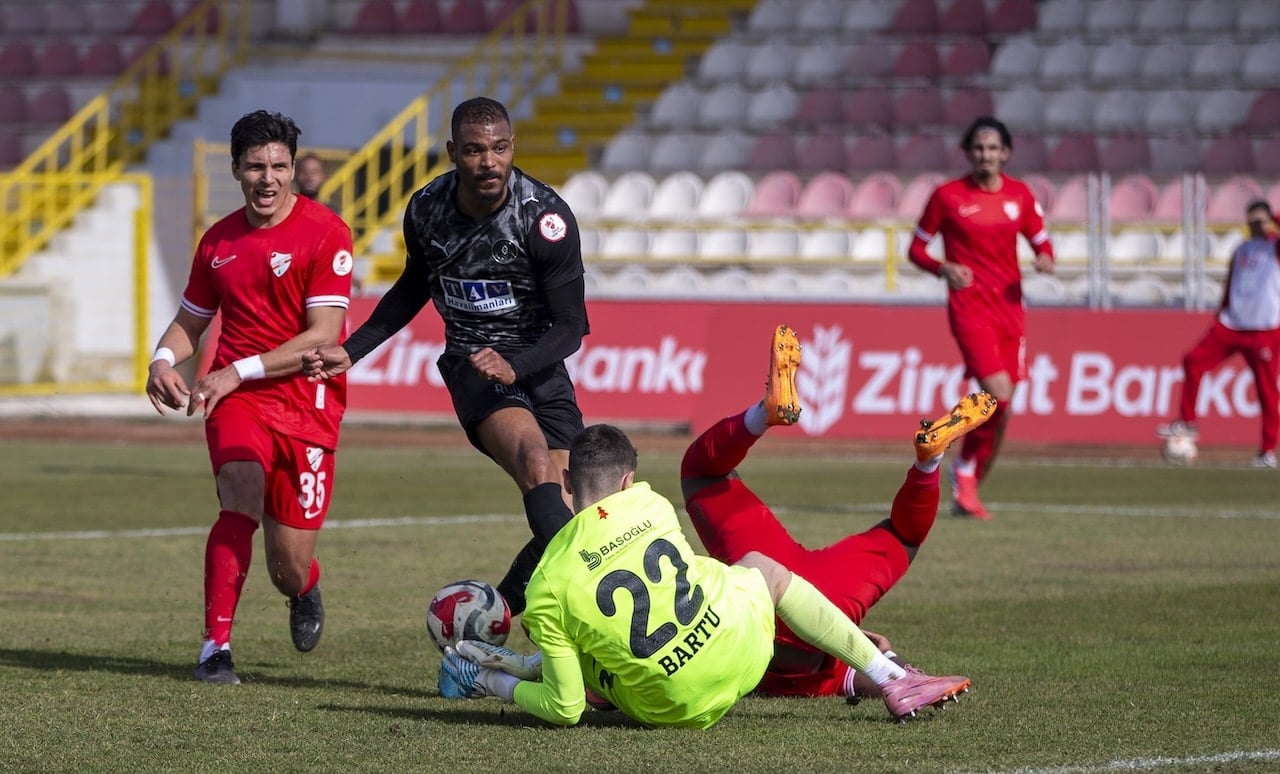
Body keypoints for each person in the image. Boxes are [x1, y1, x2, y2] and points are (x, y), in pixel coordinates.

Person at [436, 326, 986, 727]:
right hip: (755, 640)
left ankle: (481, 671)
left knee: (588, 651)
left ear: (566, 485)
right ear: (628, 481)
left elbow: (565, 706)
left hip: (675, 704)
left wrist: (493, 681)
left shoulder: (546, 585)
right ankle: (895, 672)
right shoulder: (651, 506)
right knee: (771, 556)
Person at [302, 97, 588, 615]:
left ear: (513, 146)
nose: (489, 162)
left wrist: (517, 365)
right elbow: (414, 285)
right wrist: (352, 350)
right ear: (454, 152)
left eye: (499, 148)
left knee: (575, 514)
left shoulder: (544, 218)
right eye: (475, 150)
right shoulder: (427, 209)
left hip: (538, 366)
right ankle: (592, 597)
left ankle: (491, 615)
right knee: (535, 464)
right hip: (472, 364)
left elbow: (571, 327)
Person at [145, 110, 355, 685]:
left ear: (293, 169)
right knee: (239, 492)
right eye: (256, 166)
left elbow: (323, 335)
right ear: (236, 169)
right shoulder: (218, 241)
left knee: (287, 568)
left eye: (279, 166)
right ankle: (215, 649)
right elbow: (190, 322)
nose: (268, 178)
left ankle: (305, 588)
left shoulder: (327, 232)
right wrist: (162, 360)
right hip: (237, 399)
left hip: (308, 402)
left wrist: (235, 371)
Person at [907, 115, 1055, 520]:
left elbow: (1043, 244)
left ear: (1005, 153)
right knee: (998, 393)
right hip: (970, 309)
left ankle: (966, 476)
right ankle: (958, 464)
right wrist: (943, 268)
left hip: (1011, 310)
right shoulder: (947, 196)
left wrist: (1045, 259)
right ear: (968, 153)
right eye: (978, 148)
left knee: (1002, 408)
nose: (985, 155)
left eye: (992, 148)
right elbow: (916, 250)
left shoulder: (1020, 196)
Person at [1157, 200, 1280, 469]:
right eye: (1252, 221)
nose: (1256, 226)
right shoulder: (1241, 249)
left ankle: (1267, 451)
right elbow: (1232, 283)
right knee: (1193, 360)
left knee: (1267, 392)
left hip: (1264, 329)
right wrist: (1222, 312)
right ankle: (1187, 422)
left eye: (1260, 221)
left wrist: (1272, 218)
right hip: (1231, 324)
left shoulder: (1275, 247)